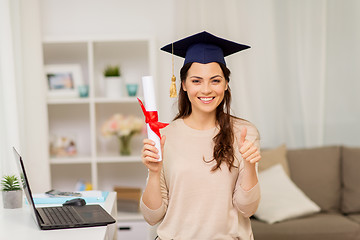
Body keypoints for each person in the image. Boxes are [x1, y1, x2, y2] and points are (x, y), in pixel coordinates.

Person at [140, 31, 261, 240]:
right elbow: (152, 216)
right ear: (184, 85)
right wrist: (153, 172)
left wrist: (250, 166)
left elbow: (247, 209)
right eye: (196, 81)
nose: (206, 89)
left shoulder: (244, 132)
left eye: (215, 80)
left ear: (225, 84)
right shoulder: (164, 136)